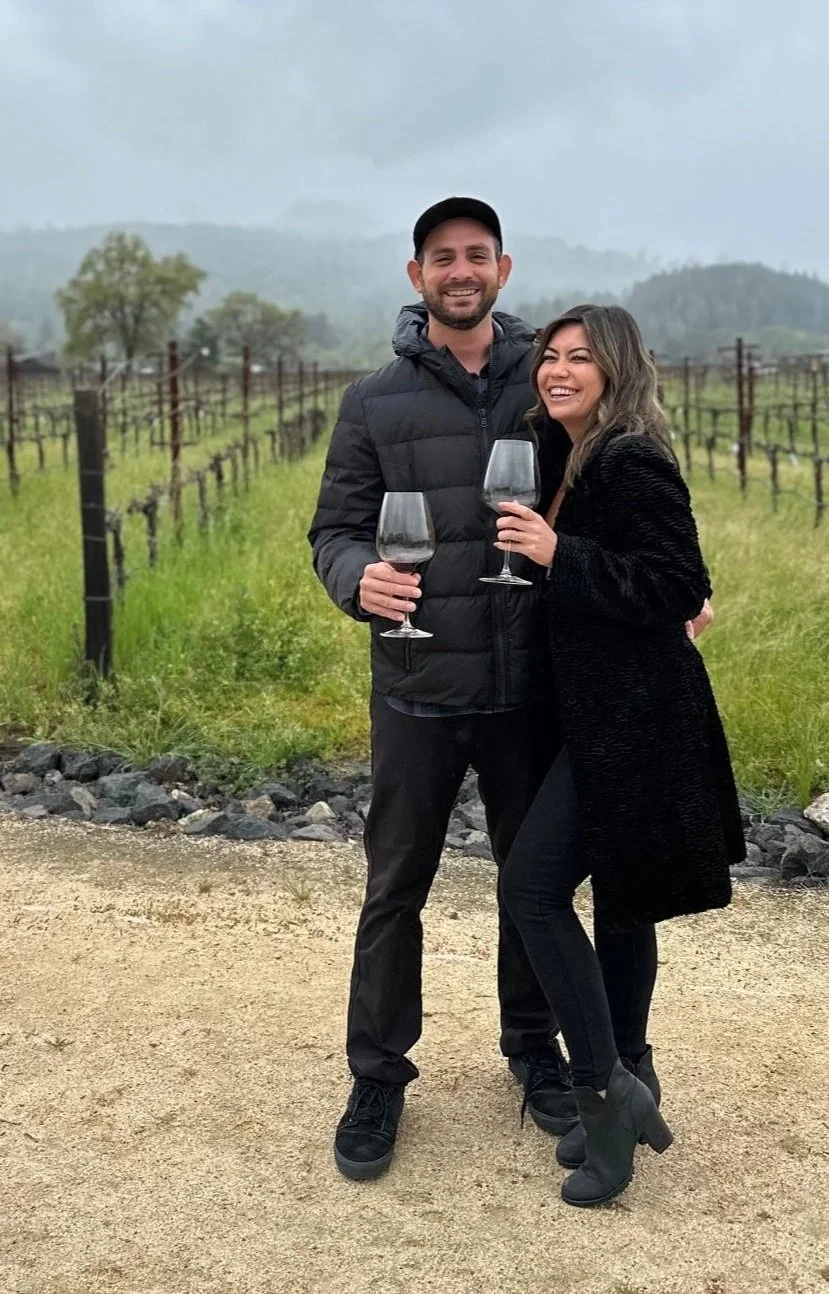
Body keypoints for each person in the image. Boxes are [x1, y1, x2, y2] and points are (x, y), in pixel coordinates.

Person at [307, 198, 579, 1181]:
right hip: (416, 685)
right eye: (441, 257)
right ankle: (378, 1074)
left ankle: (533, 1048)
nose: (459, 270)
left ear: (502, 269)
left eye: (476, 255)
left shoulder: (549, 384)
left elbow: (618, 487)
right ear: (416, 274)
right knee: (395, 889)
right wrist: (357, 579)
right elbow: (335, 530)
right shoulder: (373, 401)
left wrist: (678, 579)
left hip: (527, 688)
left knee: (532, 884)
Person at [496, 304, 746, 1208]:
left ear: (617, 370)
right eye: (549, 356)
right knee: (620, 897)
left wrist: (559, 552)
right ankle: (630, 1073)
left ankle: (604, 1091)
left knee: (531, 888)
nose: (558, 370)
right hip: (596, 714)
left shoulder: (630, 458)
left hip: (637, 717)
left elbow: (680, 584)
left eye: (580, 357)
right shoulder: (568, 454)